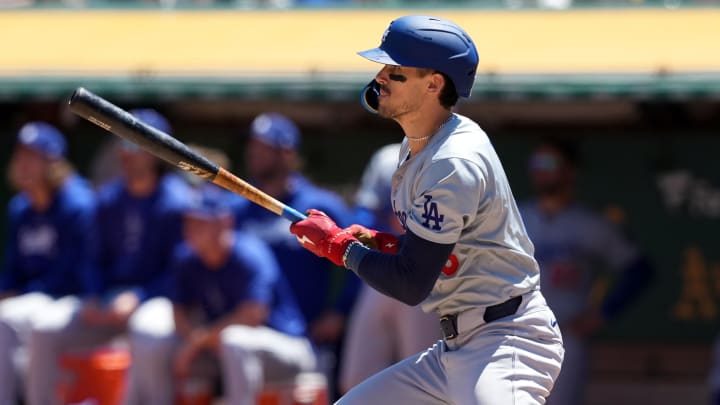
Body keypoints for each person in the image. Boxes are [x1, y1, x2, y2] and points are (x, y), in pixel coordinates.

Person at [289, 15, 564, 404]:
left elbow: (410, 283)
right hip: (454, 346)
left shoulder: (453, 159)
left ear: (434, 84)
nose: (380, 77)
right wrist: (379, 242)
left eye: (396, 70)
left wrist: (339, 247)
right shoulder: (421, 143)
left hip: (508, 342)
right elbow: (437, 251)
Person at [22, 109, 190, 404]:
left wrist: (139, 296)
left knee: (149, 331)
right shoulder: (109, 198)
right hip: (109, 299)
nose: (125, 153)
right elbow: (92, 259)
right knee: (45, 328)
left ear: (158, 152)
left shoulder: (177, 202)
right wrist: (94, 294)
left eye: (135, 145)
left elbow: (181, 271)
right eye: (122, 144)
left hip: (155, 300)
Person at [123, 184, 315, 405]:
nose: (191, 229)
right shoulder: (186, 258)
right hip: (220, 351)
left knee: (234, 340)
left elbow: (253, 315)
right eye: (189, 221)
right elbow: (179, 312)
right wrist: (194, 340)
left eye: (200, 222)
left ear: (225, 222)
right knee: (153, 345)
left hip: (286, 347)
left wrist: (197, 342)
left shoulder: (249, 254)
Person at [518, 138, 653, 405]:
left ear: (571, 170)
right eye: (536, 163)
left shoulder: (590, 224)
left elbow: (639, 270)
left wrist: (601, 314)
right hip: (515, 334)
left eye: (549, 163)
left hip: (566, 337)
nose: (540, 170)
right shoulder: (515, 217)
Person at [232, 112, 358, 395]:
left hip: (307, 337)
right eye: (252, 146)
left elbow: (359, 259)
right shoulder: (236, 209)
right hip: (253, 331)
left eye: (264, 147)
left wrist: (339, 313)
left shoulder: (319, 205)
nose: (253, 153)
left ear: (287, 153)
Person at [0, 122, 96, 405]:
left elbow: (74, 271)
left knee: (10, 317)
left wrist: (19, 293)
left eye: (33, 157)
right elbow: (12, 268)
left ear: (53, 162)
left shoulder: (78, 204)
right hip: (33, 297)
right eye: (20, 156)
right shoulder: (20, 207)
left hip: (72, 297)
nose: (22, 164)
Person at [338, 142, 440, 394]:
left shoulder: (447, 155)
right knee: (355, 380)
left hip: (427, 277)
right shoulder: (386, 157)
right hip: (384, 268)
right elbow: (369, 213)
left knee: (423, 378)